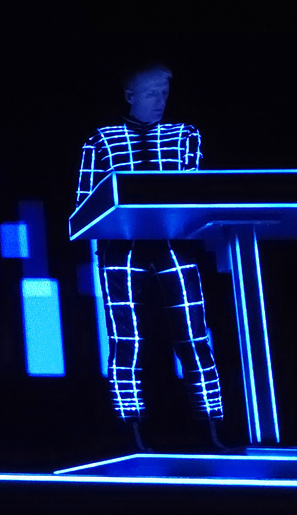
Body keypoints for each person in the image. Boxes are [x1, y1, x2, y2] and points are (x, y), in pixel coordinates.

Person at [76, 65, 232, 452]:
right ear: (130, 96)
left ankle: (211, 428)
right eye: (151, 93)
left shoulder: (184, 135)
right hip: (121, 247)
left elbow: (198, 191)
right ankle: (130, 431)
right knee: (125, 341)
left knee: (194, 337)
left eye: (164, 92)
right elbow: (84, 206)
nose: (160, 100)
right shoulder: (101, 140)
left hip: (174, 244)